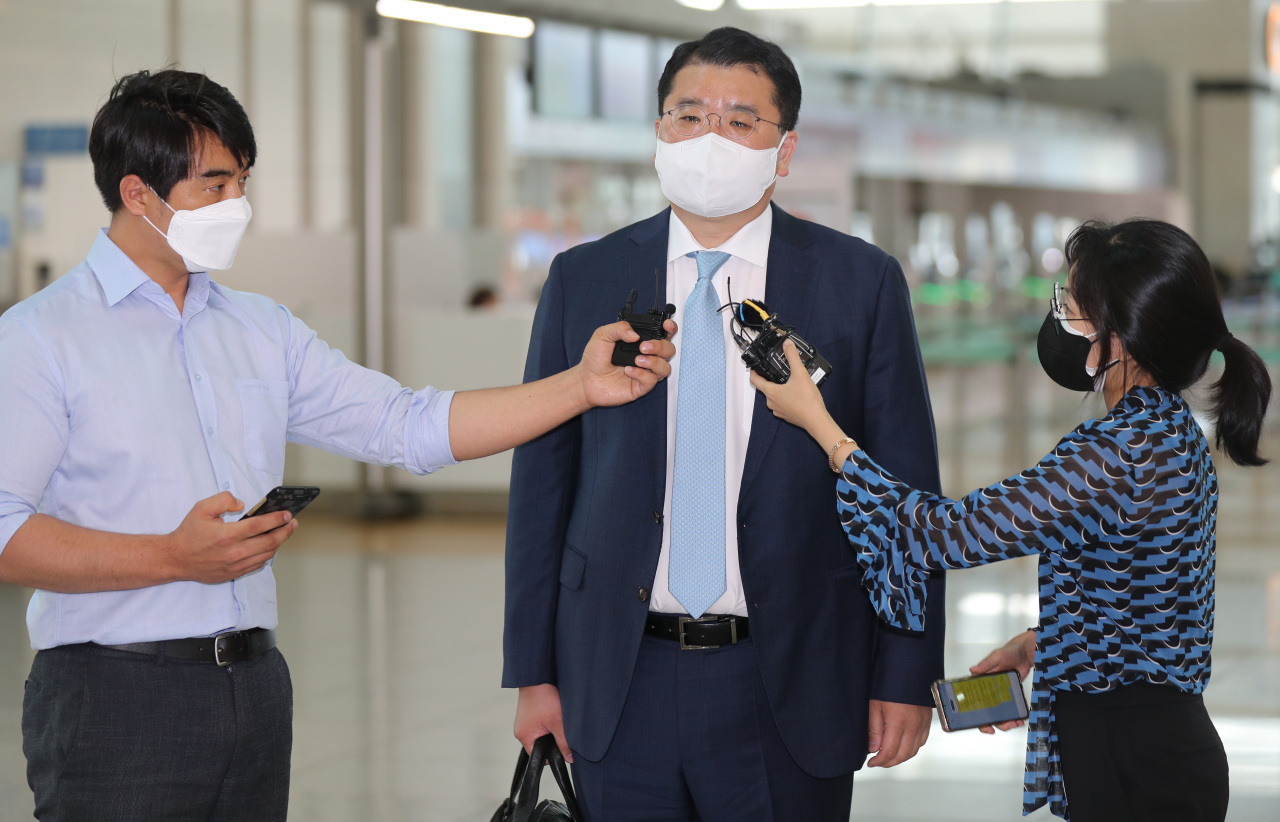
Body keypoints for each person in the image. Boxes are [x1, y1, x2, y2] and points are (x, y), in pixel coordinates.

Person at [0, 69, 675, 822]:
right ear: (137, 194)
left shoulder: (259, 329)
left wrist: (578, 388)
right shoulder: (40, 339)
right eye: (215, 186)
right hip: (113, 699)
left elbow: (406, 425)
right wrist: (170, 556)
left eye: (243, 183)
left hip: (253, 691)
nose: (237, 207)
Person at [504, 27, 945, 822]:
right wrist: (534, 672)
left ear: (785, 150)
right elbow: (543, 486)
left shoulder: (858, 283)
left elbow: (906, 489)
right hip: (618, 674)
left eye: (741, 122)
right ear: (658, 134)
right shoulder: (585, 278)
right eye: (688, 116)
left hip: (793, 677)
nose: (711, 138)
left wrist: (905, 673)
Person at [754, 218, 1272, 822]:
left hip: (1130, 755)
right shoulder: (1168, 430)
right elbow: (1145, 594)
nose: (1058, 319)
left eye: (1072, 306)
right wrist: (1041, 643)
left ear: (1121, 336)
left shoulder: (1116, 451)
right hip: (1153, 741)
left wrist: (822, 426)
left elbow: (944, 534)